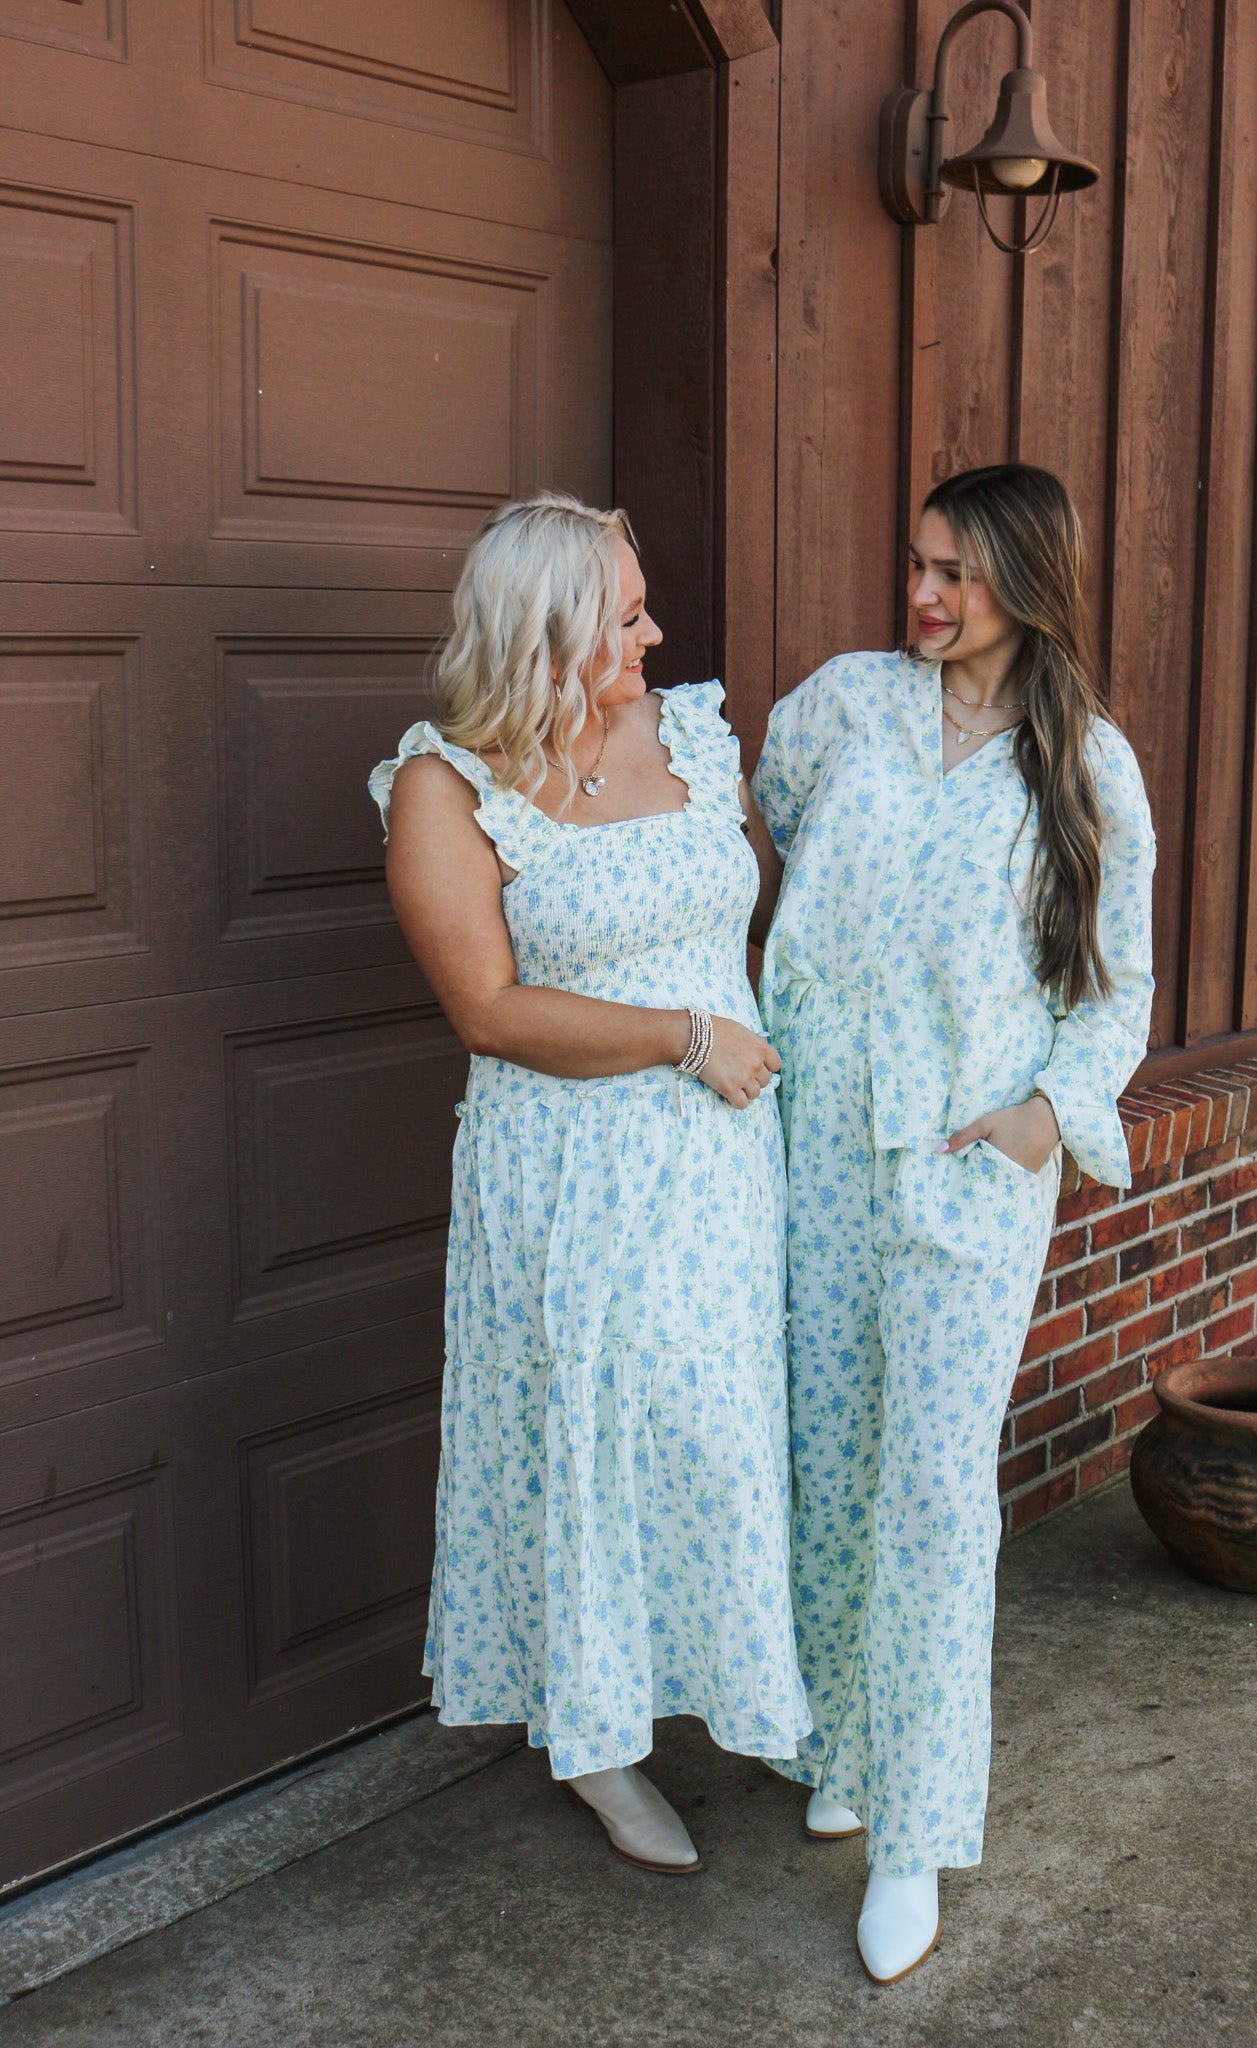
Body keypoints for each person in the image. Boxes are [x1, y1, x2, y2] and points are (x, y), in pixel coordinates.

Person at [754, 463, 1155, 1980]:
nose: (923, 596)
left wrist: (1048, 1114)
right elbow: (782, 838)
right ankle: (845, 1750)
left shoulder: (1087, 767)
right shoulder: (839, 707)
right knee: (830, 1458)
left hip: (971, 1162)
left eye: (956, 576)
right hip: (816, 1153)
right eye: (916, 564)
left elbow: (1111, 980)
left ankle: (910, 1836)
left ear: (1027, 586)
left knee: (930, 1491)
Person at [370, 492, 809, 1877]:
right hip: (570, 1176)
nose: (654, 631)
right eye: (624, 616)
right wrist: (684, 1040)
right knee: (586, 1447)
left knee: (720, 1433)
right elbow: (491, 1011)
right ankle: (600, 1747)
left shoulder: (687, 728)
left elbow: (746, 908)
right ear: (545, 631)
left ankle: (753, 1694)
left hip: (721, 1166)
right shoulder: (445, 787)